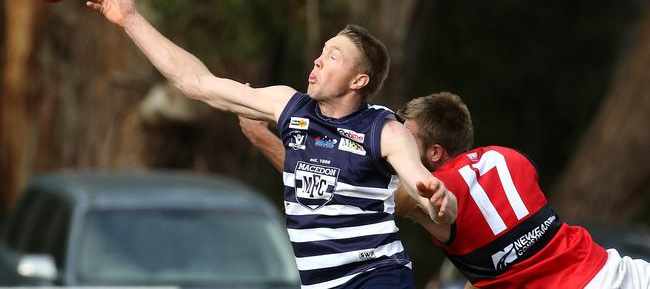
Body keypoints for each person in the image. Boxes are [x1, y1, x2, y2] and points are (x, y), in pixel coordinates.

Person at [84, 0, 457, 289]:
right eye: (322, 51)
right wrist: (130, 19)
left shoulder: (385, 130)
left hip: (377, 277)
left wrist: (440, 202)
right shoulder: (288, 105)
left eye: (334, 57)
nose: (318, 60)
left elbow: (428, 195)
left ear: (358, 80)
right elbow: (195, 82)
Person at [239, 92, 650, 288]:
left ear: (435, 152)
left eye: (403, 136)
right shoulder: (511, 157)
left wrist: (261, 137)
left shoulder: (429, 196)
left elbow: (334, 183)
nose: (388, 144)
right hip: (626, 273)